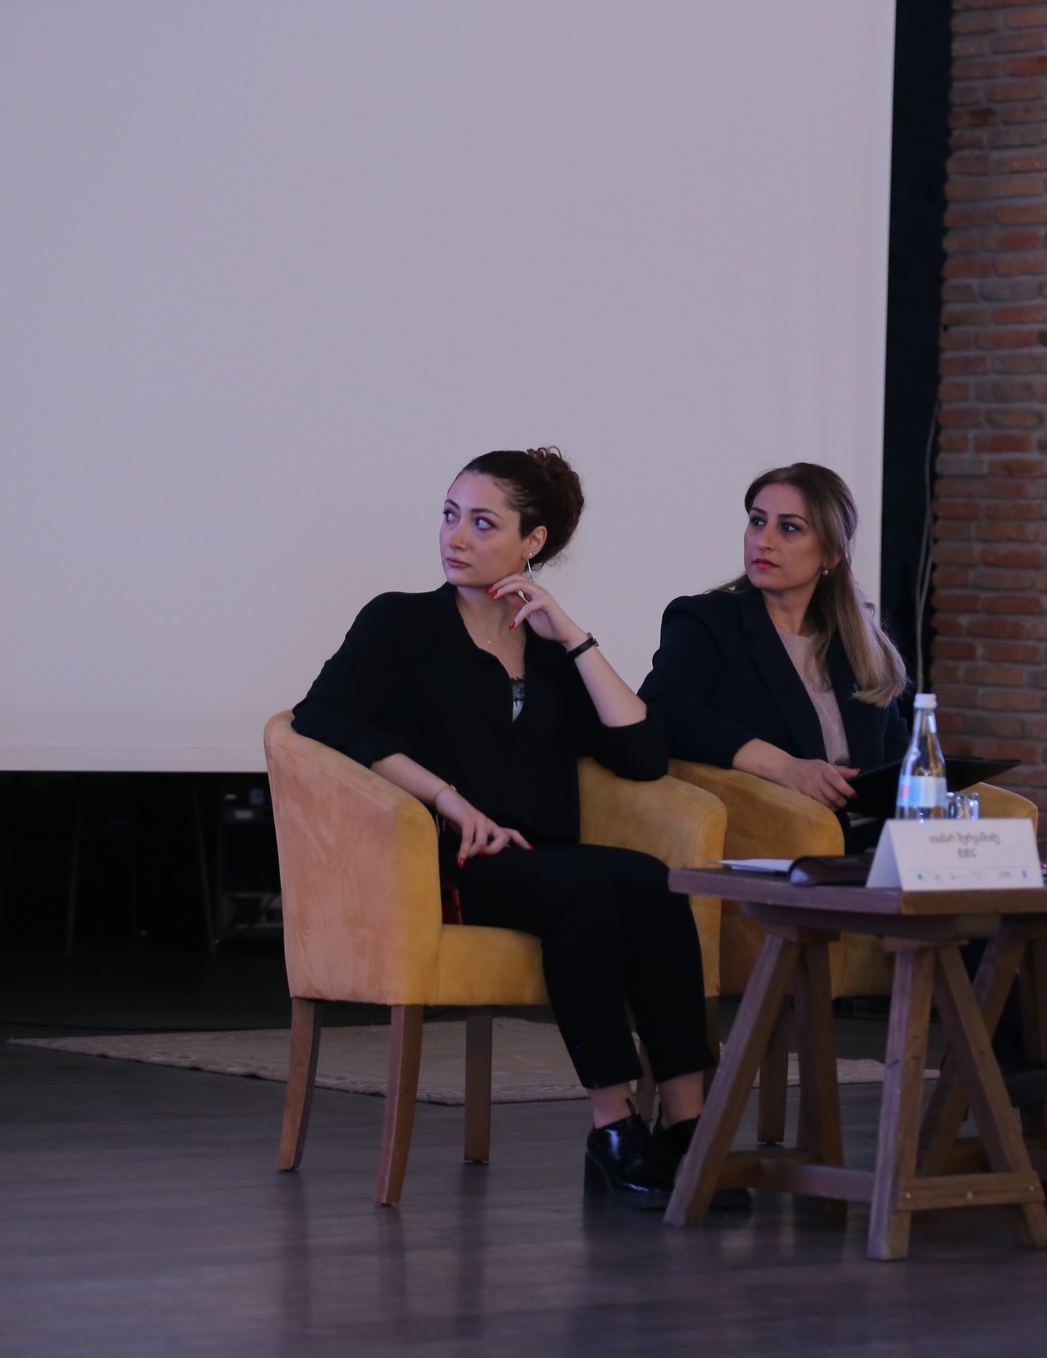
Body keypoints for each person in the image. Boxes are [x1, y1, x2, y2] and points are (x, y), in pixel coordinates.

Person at [640, 462, 1047, 1158]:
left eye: (789, 527)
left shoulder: (855, 641)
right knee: (960, 899)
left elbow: (900, 756)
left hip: (879, 842)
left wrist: (943, 786)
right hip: (788, 850)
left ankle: (1033, 1089)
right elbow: (664, 711)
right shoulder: (707, 621)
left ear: (830, 552)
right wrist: (783, 766)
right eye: (757, 520)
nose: (764, 539)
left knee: (983, 891)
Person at [292, 446, 726, 1208]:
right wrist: (447, 798)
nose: (455, 536)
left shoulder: (552, 651)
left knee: (650, 880)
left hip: (542, 856)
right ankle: (613, 1125)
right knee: (582, 888)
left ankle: (688, 1125)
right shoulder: (401, 621)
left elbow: (640, 754)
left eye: (483, 522)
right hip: (448, 858)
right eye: (450, 515)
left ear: (535, 541)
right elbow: (321, 715)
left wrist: (575, 638)